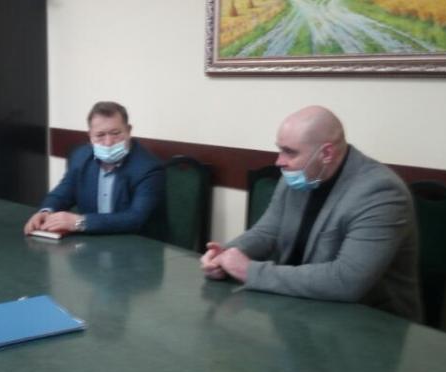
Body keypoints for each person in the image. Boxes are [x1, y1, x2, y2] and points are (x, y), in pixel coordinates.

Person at [200, 105, 421, 321]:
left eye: (290, 152)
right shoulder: (301, 175)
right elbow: (267, 232)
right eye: (280, 149)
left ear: (326, 153)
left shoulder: (381, 192)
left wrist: (248, 271)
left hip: (368, 324)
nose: (279, 161)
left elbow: (347, 281)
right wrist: (226, 255)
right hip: (300, 310)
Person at [24, 101, 164, 235]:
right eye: (100, 135)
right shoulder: (80, 156)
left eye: (115, 133)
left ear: (128, 131)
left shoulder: (148, 168)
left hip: (135, 244)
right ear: (90, 136)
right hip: (90, 241)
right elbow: (62, 194)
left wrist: (79, 222)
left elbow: (135, 218)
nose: (108, 142)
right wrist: (46, 212)